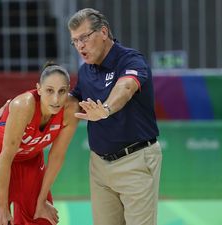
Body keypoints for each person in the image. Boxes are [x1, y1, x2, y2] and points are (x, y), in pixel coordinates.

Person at [68, 8, 162, 225]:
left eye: (84, 37)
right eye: (75, 41)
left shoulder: (130, 60)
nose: (80, 46)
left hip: (135, 162)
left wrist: (107, 108)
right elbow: (69, 101)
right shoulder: (85, 70)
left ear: (103, 32)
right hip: (99, 166)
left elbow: (126, 87)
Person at [0, 63, 79, 225]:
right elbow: (6, 156)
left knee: (42, 216)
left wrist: (42, 199)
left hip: (29, 156)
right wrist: (1, 205)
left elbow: (57, 156)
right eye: (50, 91)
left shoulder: (71, 109)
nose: (56, 99)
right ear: (39, 89)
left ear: (68, 90)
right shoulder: (23, 106)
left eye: (62, 91)